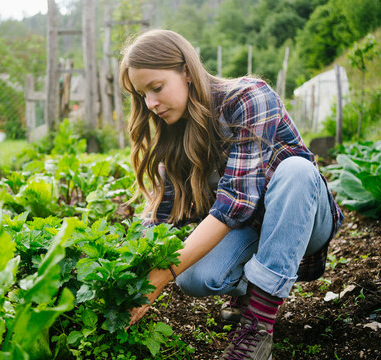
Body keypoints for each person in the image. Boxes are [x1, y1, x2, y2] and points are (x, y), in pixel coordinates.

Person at [119, 29, 343, 360]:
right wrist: (128, 276)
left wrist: (158, 279)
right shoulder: (174, 132)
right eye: (142, 96)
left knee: (295, 170)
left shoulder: (247, 97)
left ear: (186, 71)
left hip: (304, 218)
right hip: (250, 228)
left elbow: (236, 203)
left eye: (156, 88)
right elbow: (160, 219)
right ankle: (250, 291)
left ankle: (257, 325)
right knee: (194, 277)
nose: (150, 104)